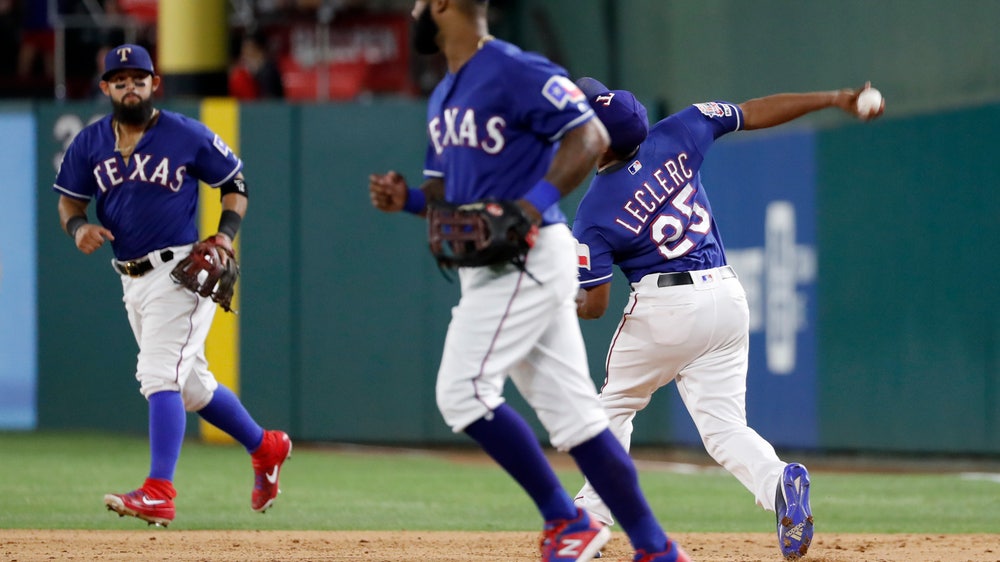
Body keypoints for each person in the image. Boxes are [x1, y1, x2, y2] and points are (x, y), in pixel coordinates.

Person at [368, 2, 690, 561]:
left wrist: (529, 206)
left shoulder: (515, 69)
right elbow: (447, 196)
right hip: (493, 266)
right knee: (578, 418)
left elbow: (588, 136)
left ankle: (568, 520)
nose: (414, 9)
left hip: (529, 257)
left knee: (462, 393)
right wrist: (410, 200)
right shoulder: (445, 93)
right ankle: (656, 547)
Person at [570, 76, 885, 560]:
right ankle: (778, 481)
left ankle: (591, 516)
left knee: (614, 406)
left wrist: (558, 295)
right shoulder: (680, 130)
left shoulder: (595, 208)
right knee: (723, 428)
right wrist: (832, 98)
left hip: (665, 305)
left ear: (597, 141)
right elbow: (754, 111)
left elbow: (593, 306)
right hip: (725, 295)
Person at [52, 43, 292, 527]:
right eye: (120, 81)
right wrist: (77, 228)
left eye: (139, 79)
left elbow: (235, 184)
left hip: (179, 272)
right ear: (106, 88)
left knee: (159, 374)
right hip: (131, 278)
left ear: (154, 84)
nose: (131, 88)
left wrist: (224, 236)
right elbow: (70, 201)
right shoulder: (90, 141)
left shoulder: (184, 133)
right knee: (192, 387)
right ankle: (266, 446)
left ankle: (159, 491)